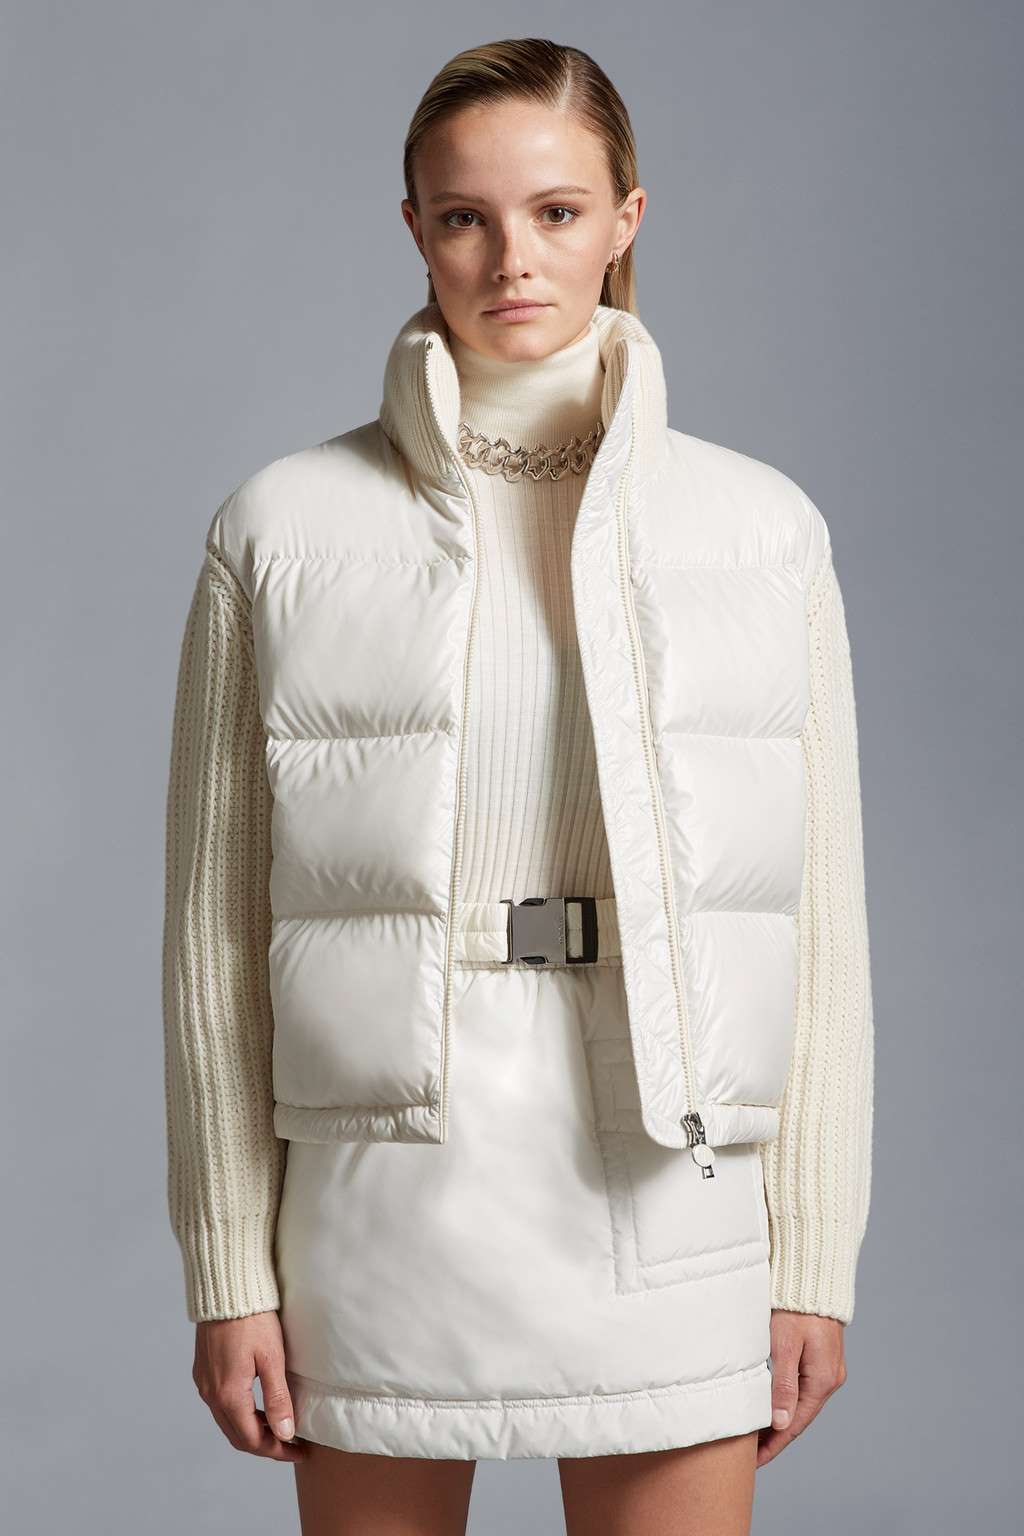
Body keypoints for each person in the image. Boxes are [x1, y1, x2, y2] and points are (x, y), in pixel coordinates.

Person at [162, 36, 874, 1536]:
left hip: (668, 1187)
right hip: (380, 1201)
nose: (511, 258)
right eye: (464, 216)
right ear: (415, 228)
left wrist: (813, 1258)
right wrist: (230, 1269)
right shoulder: (281, 529)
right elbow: (215, 944)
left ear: (626, 218)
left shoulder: (762, 533)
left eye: (557, 211)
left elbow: (819, 931)